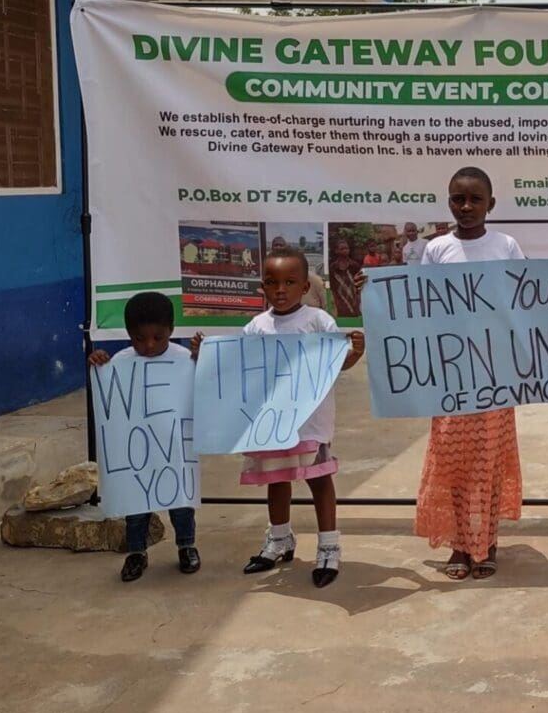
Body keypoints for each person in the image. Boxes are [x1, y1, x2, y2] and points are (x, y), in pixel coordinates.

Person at [364, 167, 548, 580]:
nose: (466, 207)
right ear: (449, 202)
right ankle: (458, 544)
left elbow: (533, 297)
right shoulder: (437, 249)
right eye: (458, 199)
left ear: (492, 204)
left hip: (497, 377)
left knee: (488, 465)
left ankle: (486, 543)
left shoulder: (506, 245)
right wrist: (379, 292)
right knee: (451, 461)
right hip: (453, 379)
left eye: (475, 199)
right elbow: (422, 307)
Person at [196, 247, 364, 588]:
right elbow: (239, 371)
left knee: (318, 480)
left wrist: (355, 354)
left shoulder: (319, 322)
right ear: (263, 287)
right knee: (277, 480)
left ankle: (329, 546)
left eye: (290, 282)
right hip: (272, 424)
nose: (281, 290)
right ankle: (279, 539)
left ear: (305, 287)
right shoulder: (257, 327)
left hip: (311, 424)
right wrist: (206, 357)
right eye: (272, 283)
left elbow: (335, 365)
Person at [88, 292, 202, 583]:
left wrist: (203, 359)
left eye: (158, 337)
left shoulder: (185, 359)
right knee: (136, 506)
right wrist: (100, 364)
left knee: (181, 504)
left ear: (171, 331)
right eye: (139, 339)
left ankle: (186, 545)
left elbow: (207, 387)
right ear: (128, 334)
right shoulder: (120, 363)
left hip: (173, 451)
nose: (149, 345)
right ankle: (136, 553)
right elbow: (110, 396)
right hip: (136, 454)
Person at [327, 238, 361, 318]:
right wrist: (336, 303)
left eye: (347, 248)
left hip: (354, 301)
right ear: (336, 251)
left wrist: (358, 300)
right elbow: (332, 288)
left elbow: (359, 285)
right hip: (340, 302)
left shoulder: (354, 266)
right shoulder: (333, 268)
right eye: (342, 248)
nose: (345, 250)